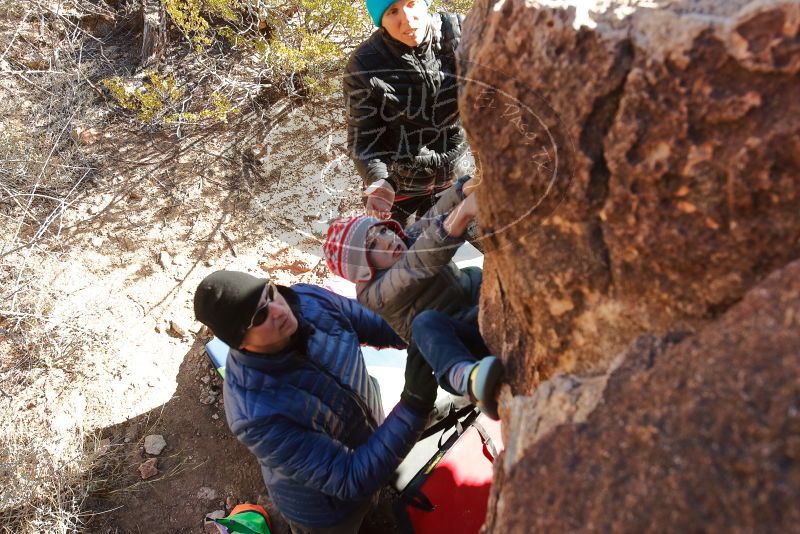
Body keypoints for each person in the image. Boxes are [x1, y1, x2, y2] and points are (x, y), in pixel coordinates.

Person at [193, 270, 438, 533]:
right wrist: (414, 405)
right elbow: (348, 477)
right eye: (260, 316)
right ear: (240, 342)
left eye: (270, 293)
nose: (278, 310)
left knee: (376, 487)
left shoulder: (310, 300)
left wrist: (429, 329)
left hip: (372, 435)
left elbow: (376, 325)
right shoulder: (255, 414)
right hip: (327, 509)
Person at [322, 177, 503, 419]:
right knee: (424, 324)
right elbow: (420, 262)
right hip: (466, 340)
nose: (387, 241)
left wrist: (464, 190)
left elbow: (434, 214)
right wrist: (462, 214)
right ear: (363, 268)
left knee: (474, 274)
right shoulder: (374, 295)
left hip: (481, 308)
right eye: (373, 246)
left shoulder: (406, 241)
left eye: (383, 230)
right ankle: (468, 379)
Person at [344, 0, 468, 224]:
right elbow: (363, 140)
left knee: (446, 248)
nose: (408, 20)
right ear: (380, 21)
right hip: (399, 185)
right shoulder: (363, 65)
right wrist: (380, 183)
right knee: (395, 252)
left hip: (455, 174)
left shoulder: (458, 31)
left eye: (411, 3)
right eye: (393, 11)